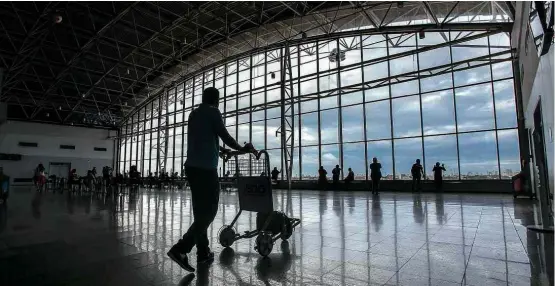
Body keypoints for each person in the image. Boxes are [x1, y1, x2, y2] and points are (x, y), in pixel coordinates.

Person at [167, 87, 256, 272]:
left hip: (191, 167)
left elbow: (205, 138)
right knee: (210, 212)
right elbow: (224, 135)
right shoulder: (213, 112)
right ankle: (181, 249)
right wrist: (241, 148)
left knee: (201, 214)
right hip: (206, 169)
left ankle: (203, 254)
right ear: (216, 100)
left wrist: (221, 150)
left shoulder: (194, 114)